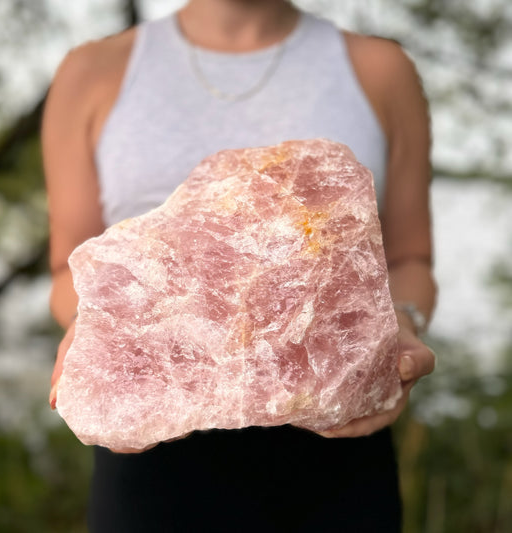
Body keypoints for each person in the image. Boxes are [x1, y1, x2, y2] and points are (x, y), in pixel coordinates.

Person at [42, 0, 437, 531]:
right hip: (151, 440)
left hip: (335, 432)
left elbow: (410, 258)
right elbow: (69, 268)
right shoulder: (92, 71)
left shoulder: (379, 69)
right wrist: (94, 330)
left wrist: (402, 324)